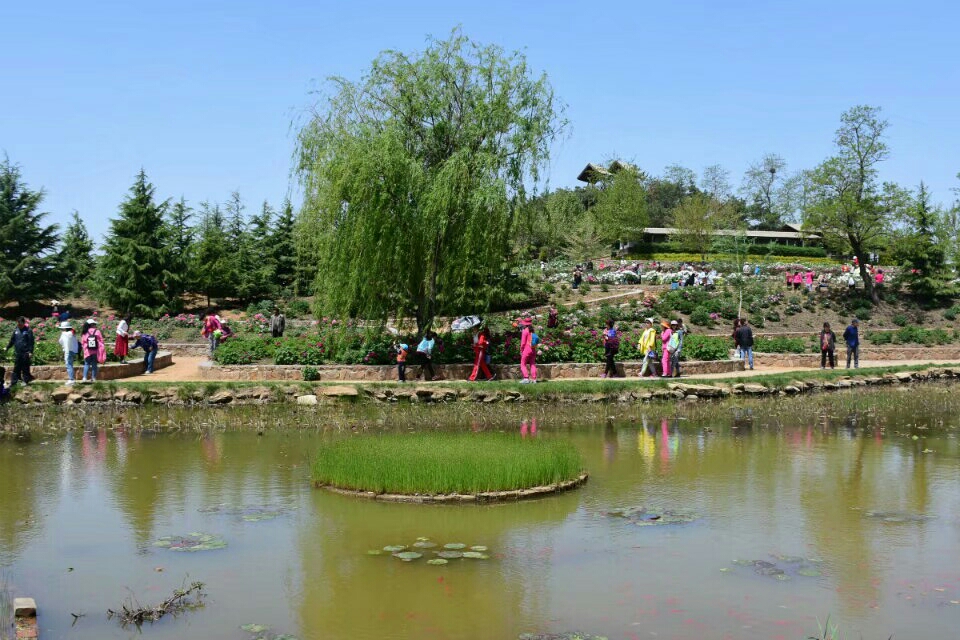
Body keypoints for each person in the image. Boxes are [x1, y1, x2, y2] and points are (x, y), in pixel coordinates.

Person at [5, 317, 35, 386]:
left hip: (25, 352)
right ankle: (14, 382)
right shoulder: (16, 330)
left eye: (20, 324)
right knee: (16, 367)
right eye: (18, 324)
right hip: (18, 352)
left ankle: (26, 381)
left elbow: (31, 342)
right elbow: (12, 340)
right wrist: (7, 347)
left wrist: (30, 351)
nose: (19, 325)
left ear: (24, 323)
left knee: (25, 367)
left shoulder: (28, 330)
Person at [519, 317, 538, 384]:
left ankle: (526, 378)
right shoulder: (532, 330)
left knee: (523, 364)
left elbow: (523, 343)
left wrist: (521, 350)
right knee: (532, 364)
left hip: (526, 350)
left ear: (525, 324)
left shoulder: (525, 331)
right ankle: (534, 379)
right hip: (533, 350)